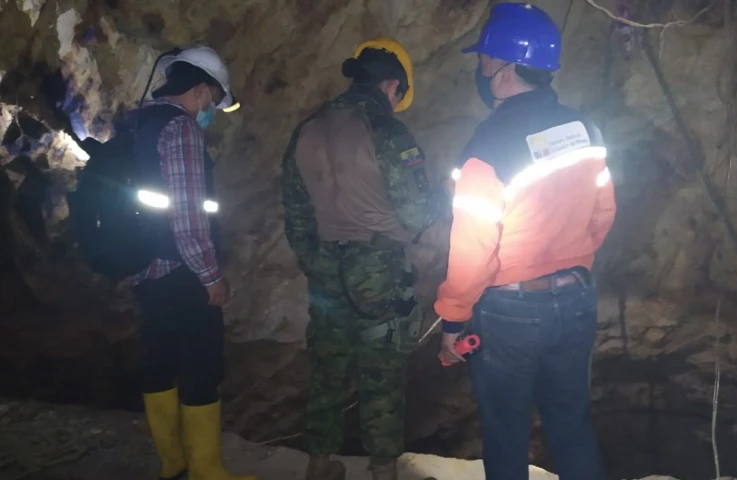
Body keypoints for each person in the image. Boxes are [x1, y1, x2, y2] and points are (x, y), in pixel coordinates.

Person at [433, 4, 616, 480]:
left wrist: (453, 320)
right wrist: (570, 261)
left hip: (511, 314)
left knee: (506, 433)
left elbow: (473, 249)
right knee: (572, 427)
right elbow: (603, 215)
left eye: (485, 59)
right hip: (576, 300)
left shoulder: (487, 148)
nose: (481, 68)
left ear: (506, 68)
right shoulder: (586, 131)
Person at [282, 37, 440, 480]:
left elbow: (295, 212)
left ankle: (318, 465)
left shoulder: (308, 128)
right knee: (381, 376)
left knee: (327, 370)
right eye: (398, 93)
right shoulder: (388, 132)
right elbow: (415, 212)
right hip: (380, 269)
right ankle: (383, 471)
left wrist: (314, 261)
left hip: (326, 270)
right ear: (390, 85)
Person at [124, 45, 254, 480]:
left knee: (158, 361)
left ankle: (173, 465)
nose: (211, 112)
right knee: (201, 366)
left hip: (144, 266)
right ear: (200, 90)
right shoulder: (180, 129)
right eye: (213, 102)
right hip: (182, 272)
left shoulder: (137, 122)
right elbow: (187, 212)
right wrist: (210, 276)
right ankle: (206, 471)